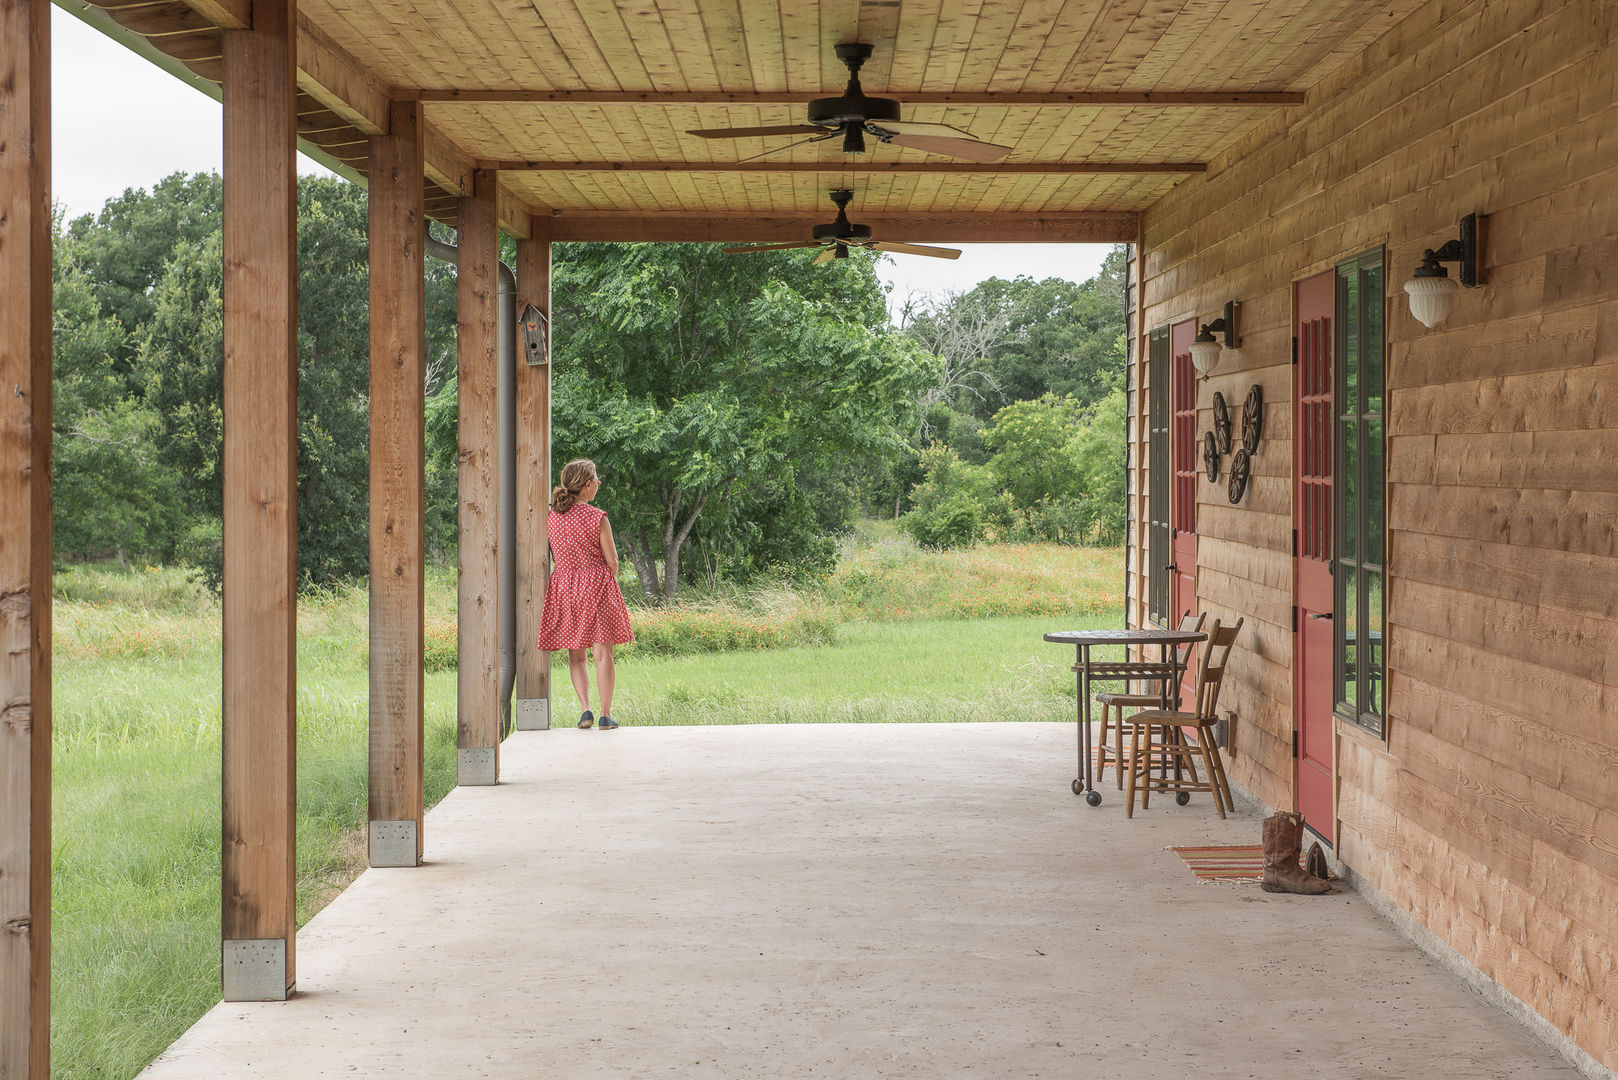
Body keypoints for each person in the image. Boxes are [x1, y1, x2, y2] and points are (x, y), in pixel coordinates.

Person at [535, 459, 634, 729]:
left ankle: (585, 710)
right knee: (603, 655)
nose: (598, 484)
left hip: (564, 588)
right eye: (596, 480)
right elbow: (612, 561)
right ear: (588, 485)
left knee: (576, 655)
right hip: (597, 587)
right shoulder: (596, 517)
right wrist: (602, 579)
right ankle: (605, 713)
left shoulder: (552, 516)